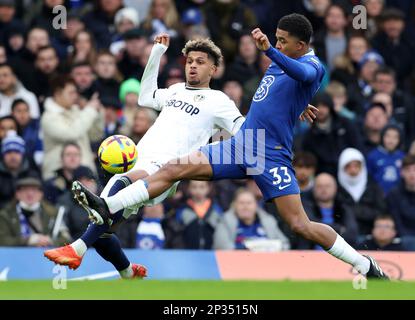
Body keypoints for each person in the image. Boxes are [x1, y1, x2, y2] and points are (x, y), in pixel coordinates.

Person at [73, 14, 388, 279]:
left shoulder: (310, 64)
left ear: (300, 45)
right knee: (174, 167)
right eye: (275, 39)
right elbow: (287, 90)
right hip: (242, 143)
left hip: (270, 155)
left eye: (282, 41)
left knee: (299, 224)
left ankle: (364, 264)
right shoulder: (283, 60)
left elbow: (304, 74)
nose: (277, 44)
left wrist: (270, 52)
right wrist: (299, 102)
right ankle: (109, 205)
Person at [45, 33, 317, 277]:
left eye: (200, 61)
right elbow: (146, 97)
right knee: (102, 226)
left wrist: (290, 108)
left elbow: (246, 132)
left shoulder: (219, 101)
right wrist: (156, 54)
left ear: (213, 68)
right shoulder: (175, 91)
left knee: (114, 192)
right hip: (141, 158)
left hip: (165, 170)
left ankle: (75, 249)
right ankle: (128, 272)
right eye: (189, 61)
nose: (193, 66)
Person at [0, 173, 71, 247]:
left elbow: (66, 238)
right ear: (17, 194)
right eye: (25, 190)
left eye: (34, 190)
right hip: (16, 256)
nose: (30, 194)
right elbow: (2, 240)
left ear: (41, 194)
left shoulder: (53, 213)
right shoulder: (6, 214)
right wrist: (28, 240)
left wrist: (50, 241)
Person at [213, 188, 290, 251]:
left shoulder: (268, 220)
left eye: (249, 203)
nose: (245, 207)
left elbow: (285, 244)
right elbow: (222, 247)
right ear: (234, 205)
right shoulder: (225, 221)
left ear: (256, 205)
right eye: (241, 203)